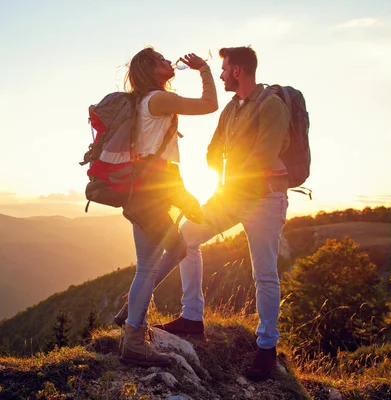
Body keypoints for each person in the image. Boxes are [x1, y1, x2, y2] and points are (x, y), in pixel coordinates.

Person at [115, 46, 290, 380]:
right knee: (186, 239)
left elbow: (264, 157)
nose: (222, 74)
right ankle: (192, 316)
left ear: (237, 70)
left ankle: (267, 347)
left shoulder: (272, 106)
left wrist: (236, 174)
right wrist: (223, 177)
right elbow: (213, 149)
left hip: (266, 199)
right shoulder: (232, 109)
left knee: (264, 273)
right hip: (231, 197)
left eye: (224, 69)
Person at [119, 47, 218, 367]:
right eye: (161, 59)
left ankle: (130, 318)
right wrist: (203, 69)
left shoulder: (142, 102)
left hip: (140, 191)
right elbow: (209, 105)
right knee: (167, 254)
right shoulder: (157, 100)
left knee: (153, 261)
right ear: (150, 68)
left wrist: (181, 195)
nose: (168, 61)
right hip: (149, 194)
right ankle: (133, 338)